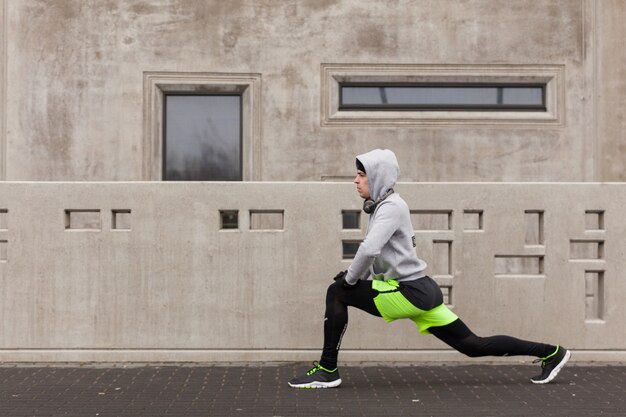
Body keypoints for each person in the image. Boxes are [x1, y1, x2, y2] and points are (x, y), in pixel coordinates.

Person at [288, 148, 570, 389]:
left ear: (377, 177)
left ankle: (327, 370)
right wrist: (354, 278)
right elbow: (373, 255)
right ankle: (551, 353)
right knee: (472, 345)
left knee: (337, 292)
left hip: (409, 291)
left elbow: (369, 249)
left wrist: (350, 281)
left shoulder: (390, 208)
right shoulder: (384, 206)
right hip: (421, 289)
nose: (355, 180)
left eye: (361, 175)